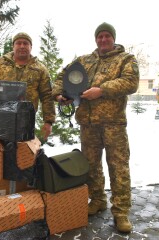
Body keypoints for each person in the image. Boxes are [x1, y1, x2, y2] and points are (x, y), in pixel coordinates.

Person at [52, 22, 139, 233]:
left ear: (113, 38)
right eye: (100, 36)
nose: (103, 40)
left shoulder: (125, 59)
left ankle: (120, 212)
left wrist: (101, 90)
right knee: (91, 165)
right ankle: (98, 199)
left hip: (113, 125)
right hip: (88, 124)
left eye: (107, 36)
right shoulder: (84, 60)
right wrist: (60, 94)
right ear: (96, 39)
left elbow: (131, 82)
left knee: (118, 167)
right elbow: (61, 77)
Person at [0, 32, 55, 141]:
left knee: (23, 155)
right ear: (13, 46)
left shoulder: (40, 69)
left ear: (31, 47)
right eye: (18, 43)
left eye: (25, 43)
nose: (22, 46)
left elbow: (47, 96)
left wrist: (48, 122)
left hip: (26, 121)